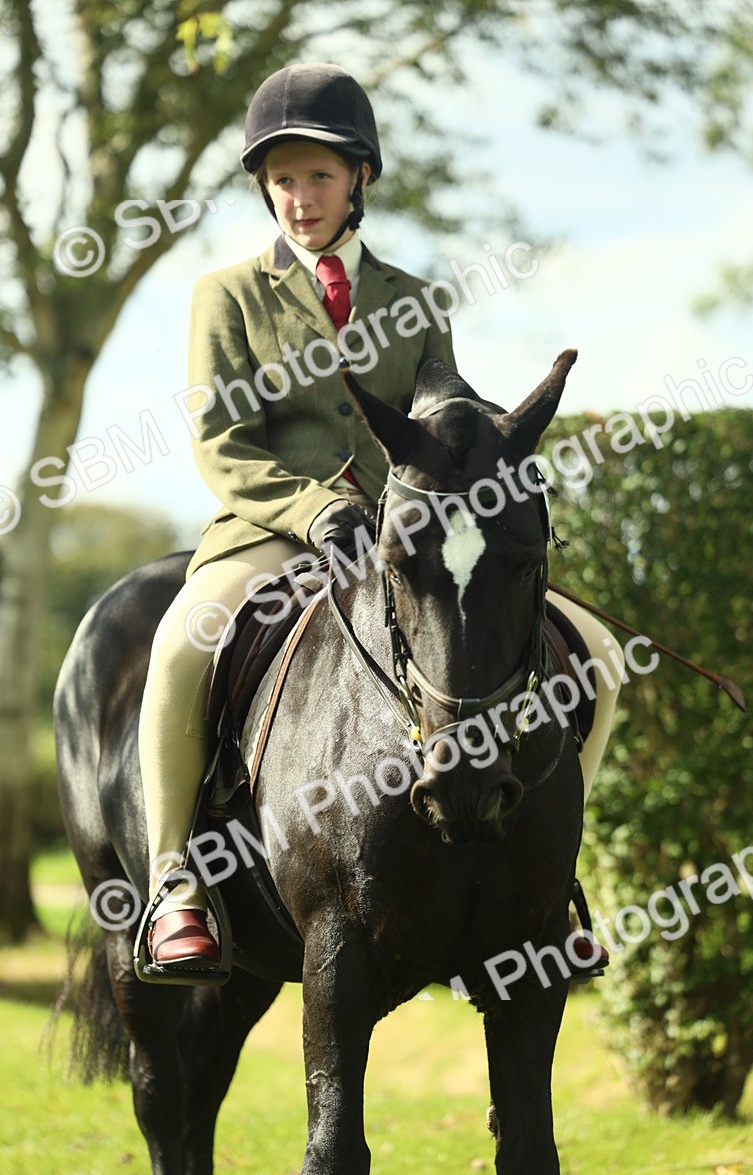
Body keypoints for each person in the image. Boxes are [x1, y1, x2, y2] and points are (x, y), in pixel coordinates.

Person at [137, 62, 622, 980]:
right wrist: (318, 509)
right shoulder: (227, 294)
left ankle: (548, 884)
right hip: (269, 531)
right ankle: (174, 886)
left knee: (592, 653)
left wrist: (490, 444)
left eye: (318, 176)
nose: (298, 198)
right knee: (179, 648)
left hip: (405, 541)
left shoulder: (414, 300)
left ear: (359, 177)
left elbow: (444, 418)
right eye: (282, 179)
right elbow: (223, 443)